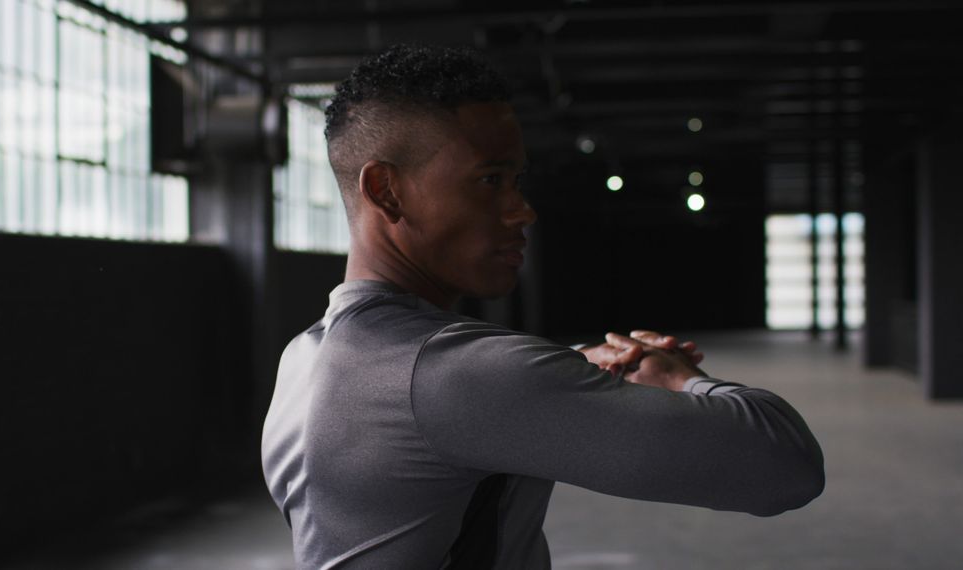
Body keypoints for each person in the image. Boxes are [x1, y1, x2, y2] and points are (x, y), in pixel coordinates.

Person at [261, 44, 824, 569]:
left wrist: (574, 361)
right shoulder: (453, 377)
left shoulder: (303, 360)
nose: (521, 210)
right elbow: (783, 466)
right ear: (386, 190)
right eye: (489, 180)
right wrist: (680, 379)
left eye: (516, 180)